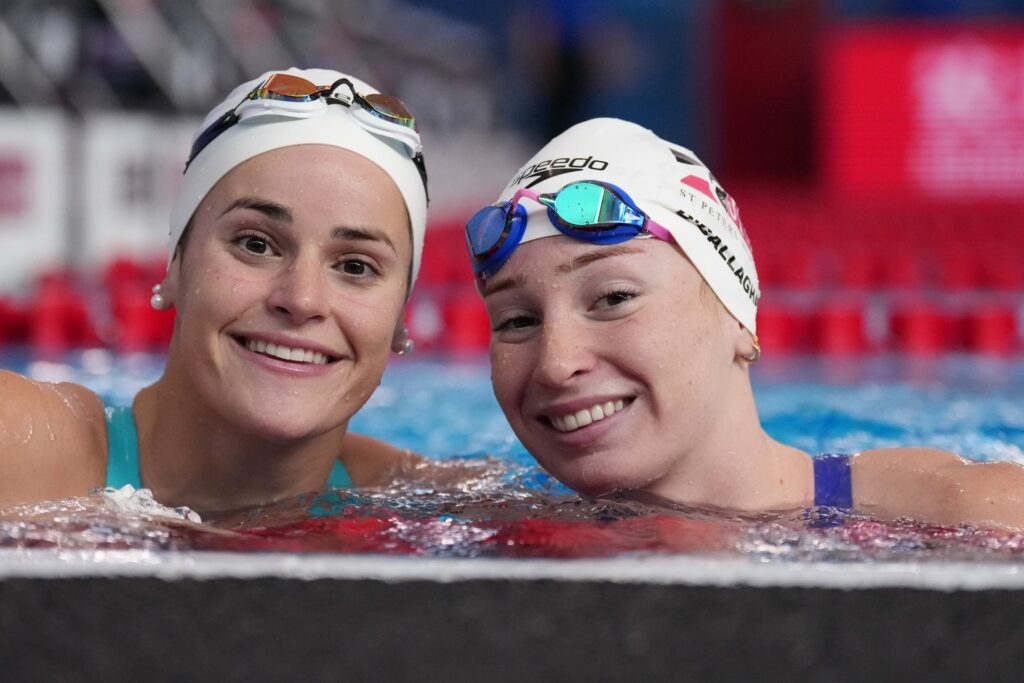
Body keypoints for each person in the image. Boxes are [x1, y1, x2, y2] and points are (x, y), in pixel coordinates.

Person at [465, 117, 1024, 530]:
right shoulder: (491, 511)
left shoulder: (960, 511)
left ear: (739, 317)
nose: (556, 364)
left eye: (613, 297)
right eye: (516, 321)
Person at [0, 67, 429, 515]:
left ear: (400, 318)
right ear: (175, 267)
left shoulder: (419, 502)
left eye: (356, 266)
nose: (302, 300)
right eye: (255, 244)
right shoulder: (23, 448)